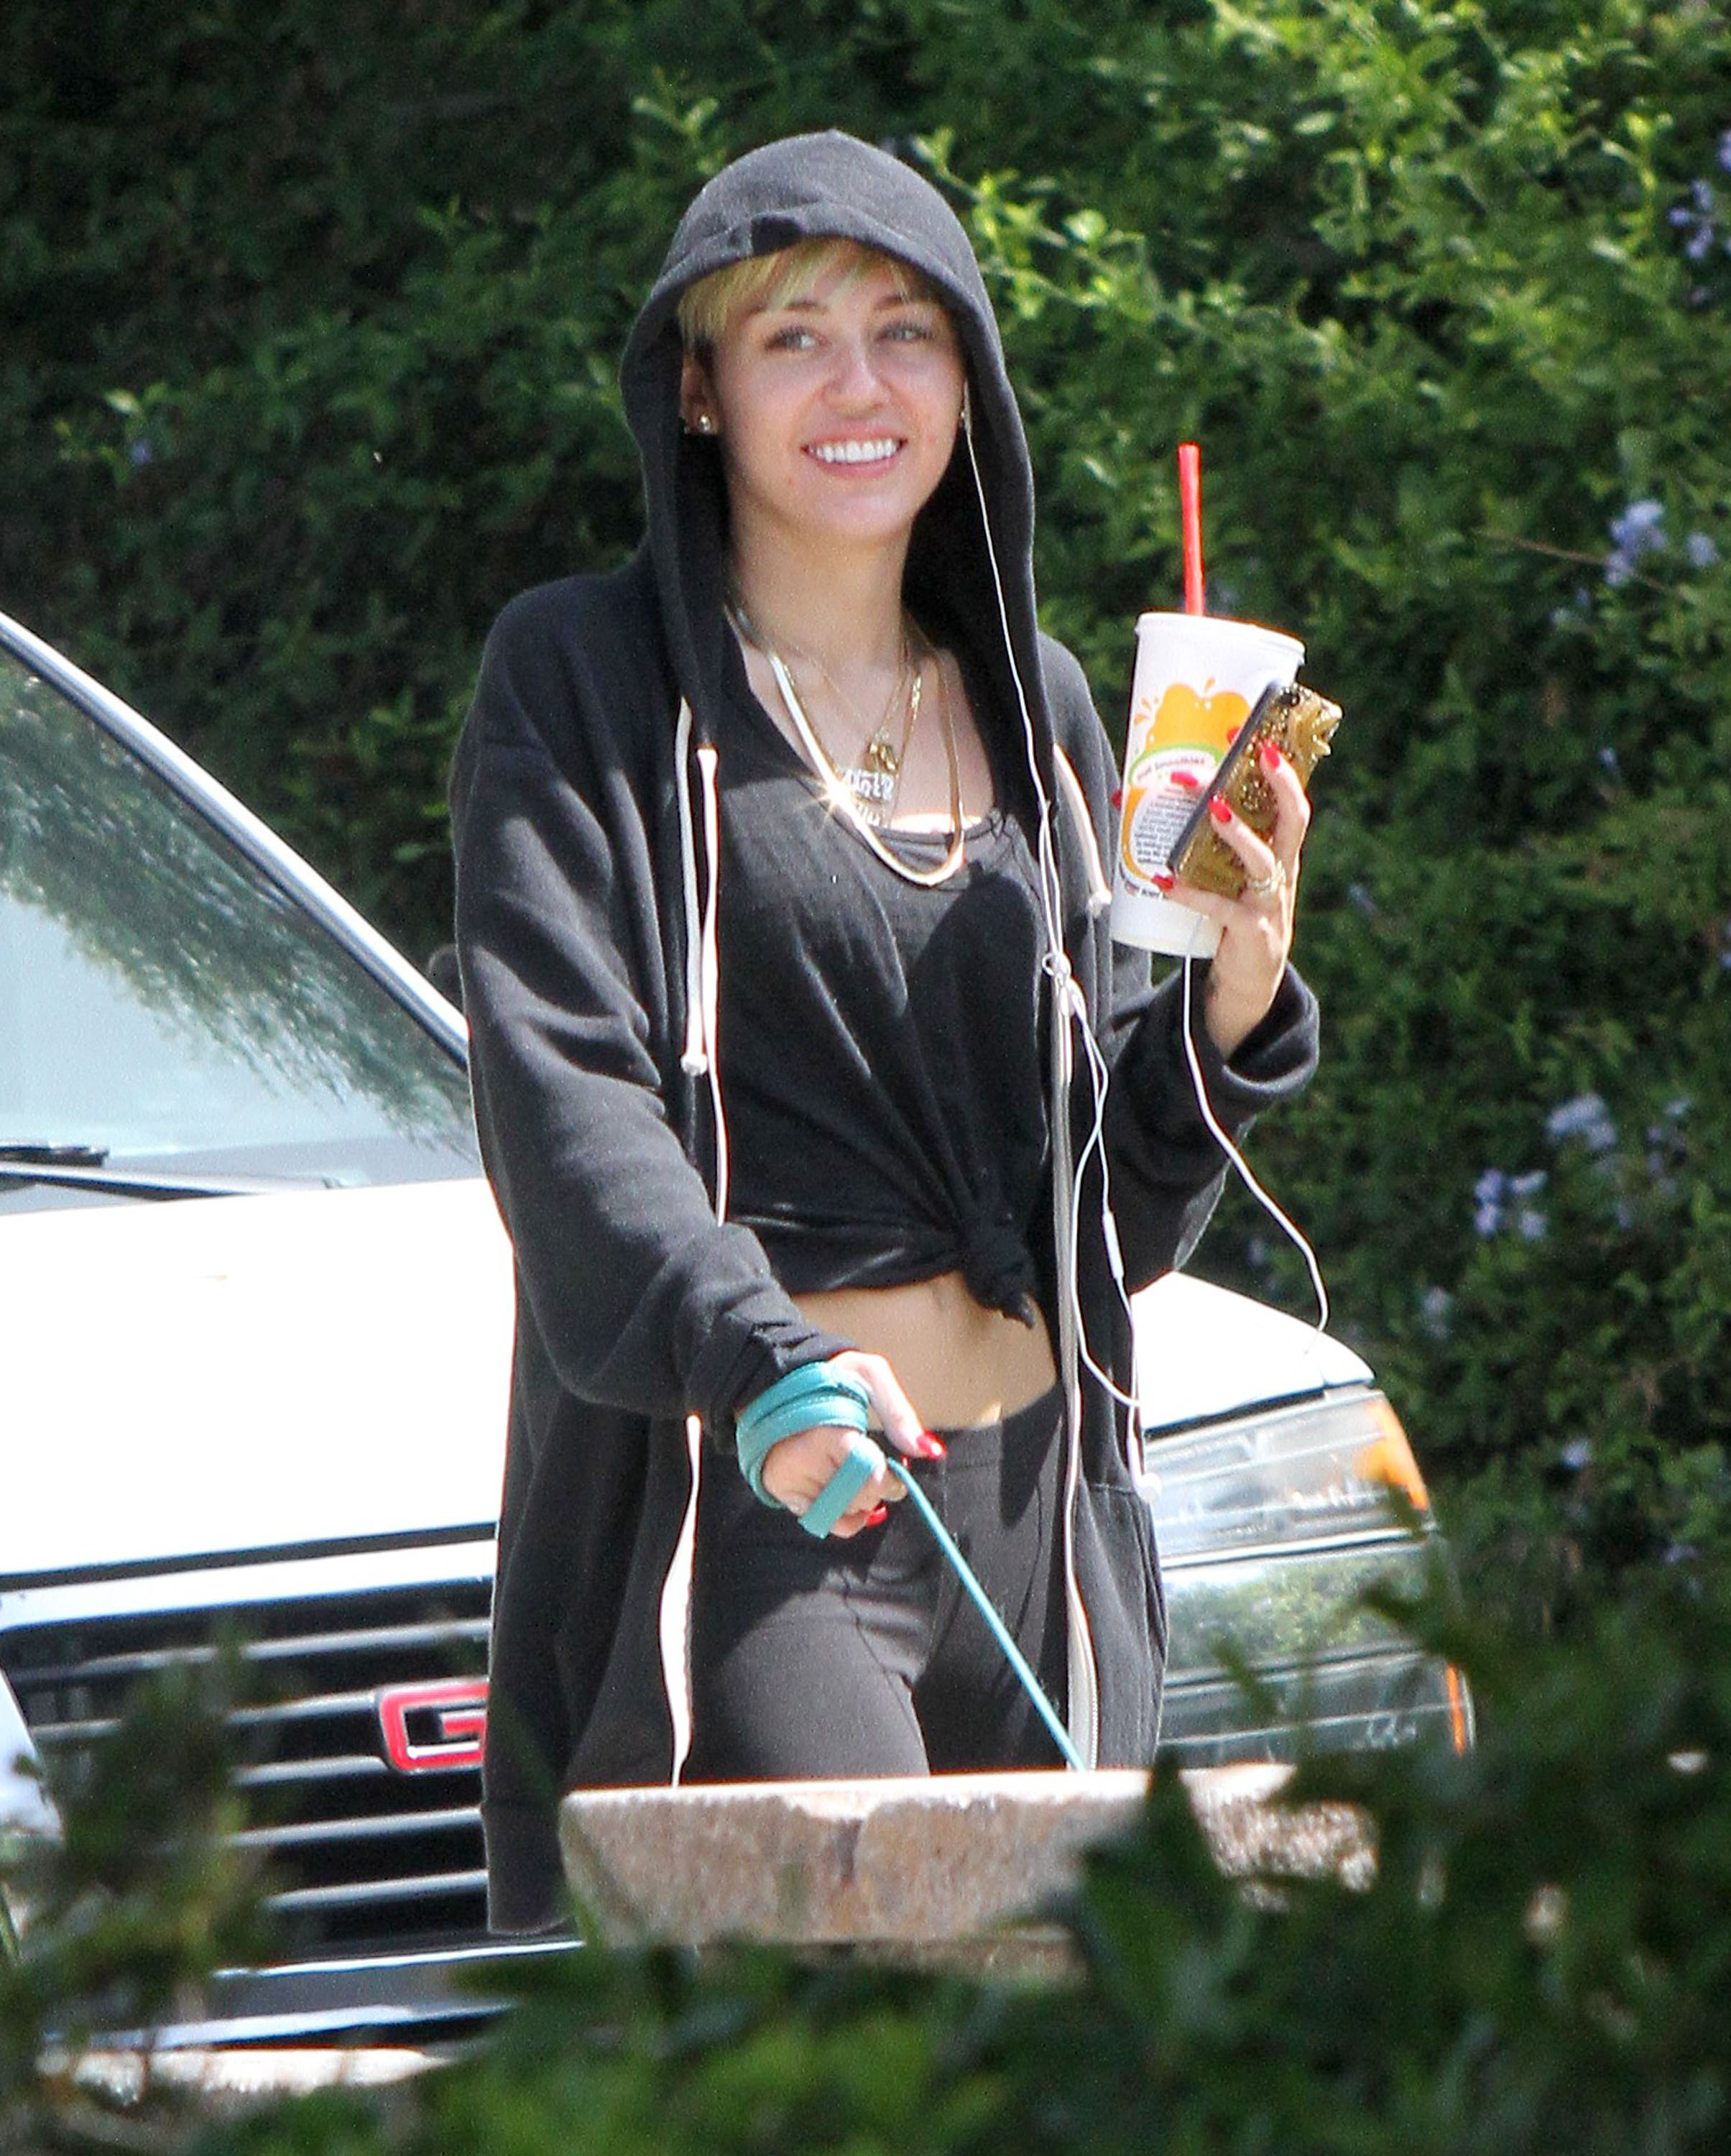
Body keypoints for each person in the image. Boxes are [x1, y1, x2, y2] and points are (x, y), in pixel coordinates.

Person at [449, 130, 1319, 1935]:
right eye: (794, 338)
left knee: (1068, 2053)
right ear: (700, 390)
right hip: (781, 1504)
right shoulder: (582, 679)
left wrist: (1228, 1004)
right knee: (851, 2026)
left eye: (905, 333)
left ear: (968, 381)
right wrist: (753, 1357)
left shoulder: (1043, 708)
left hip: (1046, 1522)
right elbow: (563, 1094)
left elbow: (1103, 1213)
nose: (860, 387)